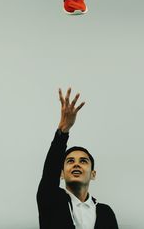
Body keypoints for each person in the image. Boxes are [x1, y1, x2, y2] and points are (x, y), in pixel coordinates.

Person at [36, 88, 119, 229]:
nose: (76, 164)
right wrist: (63, 131)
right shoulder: (51, 201)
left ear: (93, 174)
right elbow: (49, 173)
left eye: (83, 161)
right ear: (61, 173)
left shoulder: (106, 212)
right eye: (70, 161)